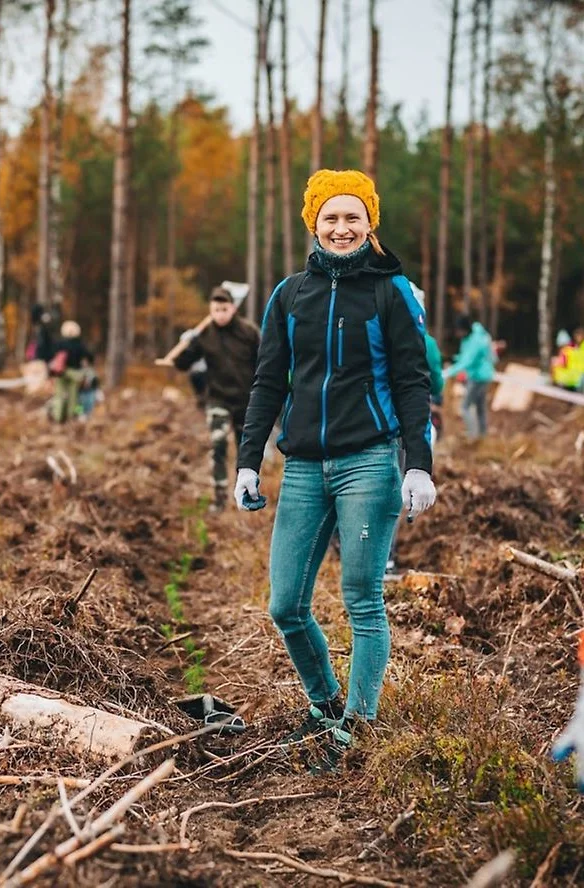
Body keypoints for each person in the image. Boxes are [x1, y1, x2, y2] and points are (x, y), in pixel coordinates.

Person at [234, 169, 436, 770]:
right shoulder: (289, 294)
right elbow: (269, 381)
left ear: (369, 223)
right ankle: (324, 705)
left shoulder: (390, 292)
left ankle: (359, 725)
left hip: (369, 463)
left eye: (353, 217)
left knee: (362, 600)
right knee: (284, 606)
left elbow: (412, 381)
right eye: (331, 217)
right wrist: (248, 461)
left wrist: (417, 465)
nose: (342, 227)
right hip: (302, 469)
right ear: (313, 223)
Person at [174, 287, 260, 512]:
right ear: (210, 310)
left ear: (233, 308)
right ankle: (219, 498)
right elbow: (182, 363)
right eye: (216, 310)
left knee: (246, 451)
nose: (220, 314)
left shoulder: (249, 332)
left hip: (246, 400)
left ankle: (244, 496)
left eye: (224, 309)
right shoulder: (204, 335)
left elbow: (264, 360)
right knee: (218, 444)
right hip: (218, 399)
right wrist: (187, 342)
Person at [385, 282, 444, 575]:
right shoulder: (425, 339)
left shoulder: (374, 325)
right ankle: (385, 558)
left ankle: (374, 554)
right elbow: (434, 378)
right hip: (400, 425)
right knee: (392, 491)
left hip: (383, 424)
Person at [443, 314, 496, 440]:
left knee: (465, 407)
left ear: (464, 329)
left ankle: (473, 437)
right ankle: (482, 436)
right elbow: (464, 356)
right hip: (482, 375)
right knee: (480, 407)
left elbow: (467, 361)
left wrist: (446, 373)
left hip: (478, 377)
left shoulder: (476, 341)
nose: (457, 334)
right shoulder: (470, 338)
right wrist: (452, 358)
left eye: (458, 331)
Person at [49, 320, 94, 423]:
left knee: (59, 395)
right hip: (75, 374)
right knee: (74, 397)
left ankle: (58, 417)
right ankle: (72, 417)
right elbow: (90, 357)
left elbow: (52, 358)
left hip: (61, 373)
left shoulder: (59, 343)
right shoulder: (80, 344)